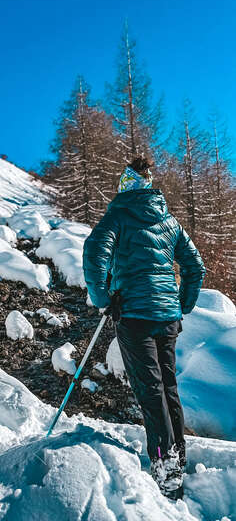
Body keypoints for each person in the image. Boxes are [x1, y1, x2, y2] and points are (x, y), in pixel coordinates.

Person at [83, 156, 205, 499]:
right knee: (168, 387)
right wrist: (182, 304)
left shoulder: (119, 214)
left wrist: (103, 298)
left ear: (125, 187)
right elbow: (196, 267)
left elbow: (94, 253)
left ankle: (166, 469)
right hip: (167, 317)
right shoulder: (168, 220)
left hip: (135, 314)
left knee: (150, 390)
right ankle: (176, 457)